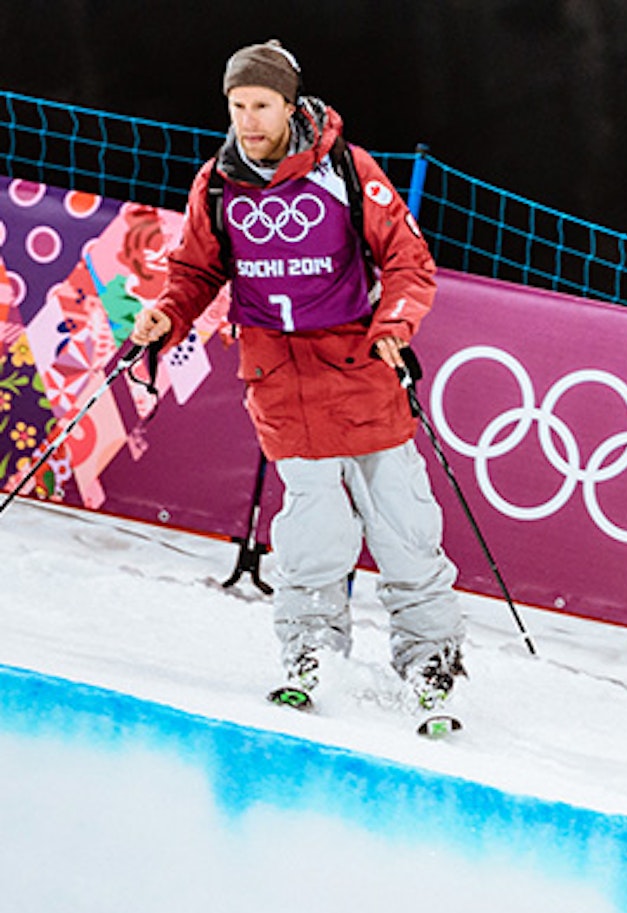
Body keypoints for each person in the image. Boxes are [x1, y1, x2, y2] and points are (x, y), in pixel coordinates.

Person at [131, 39, 466, 714]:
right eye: (237, 105)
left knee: (403, 525)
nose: (248, 119)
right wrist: (167, 314)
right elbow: (196, 271)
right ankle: (310, 649)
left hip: (359, 367)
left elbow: (407, 259)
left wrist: (395, 328)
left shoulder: (346, 167)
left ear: (289, 105)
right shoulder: (218, 182)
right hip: (279, 376)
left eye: (261, 104)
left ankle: (430, 658)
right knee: (312, 533)